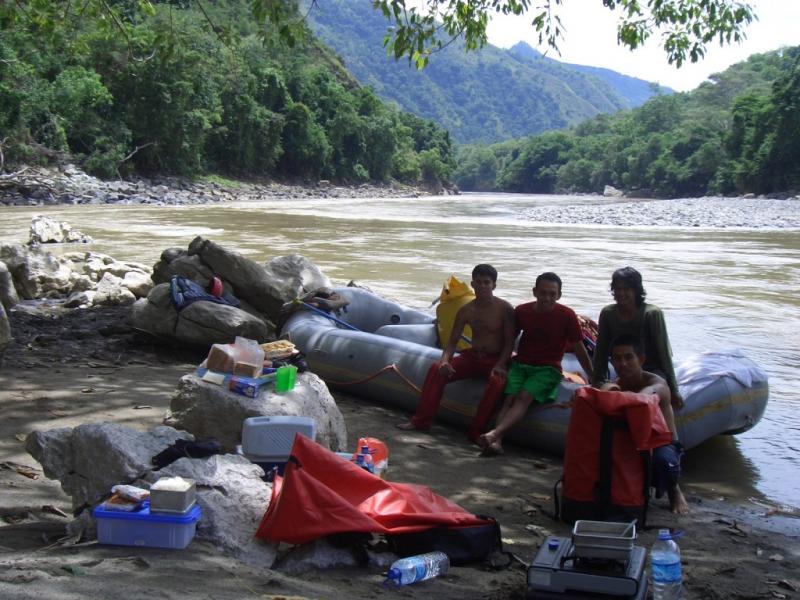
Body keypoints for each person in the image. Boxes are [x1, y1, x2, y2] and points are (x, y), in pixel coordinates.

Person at [397, 264, 515, 442]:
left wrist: (501, 364)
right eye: (479, 282)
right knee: (436, 369)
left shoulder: (504, 309)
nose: (483, 286)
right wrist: (445, 361)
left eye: (487, 283)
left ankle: (476, 432)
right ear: (472, 284)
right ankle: (421, 421)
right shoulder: (467, 310)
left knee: (497, 382)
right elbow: (452, 342)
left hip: (495, 359)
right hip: (473, 356)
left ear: (494, 285)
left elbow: (510, 342)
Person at [479, 272, 594, 455]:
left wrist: (592, 375)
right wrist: (500, 363)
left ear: (559, 295)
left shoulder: (566, 315)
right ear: (534, 291)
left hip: (548, 369)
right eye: (543, 292)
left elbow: (579, 348)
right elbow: (509, 340)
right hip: (521, 364)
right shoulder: (522, 311)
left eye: (552, 294)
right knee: (509, 398)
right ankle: (497, 442)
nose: (547, 298)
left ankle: (494, 434)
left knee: (524, 396)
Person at [601, 334, 689, 514]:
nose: (623, 363)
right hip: (633, 442)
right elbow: (601, 394)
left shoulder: (657, 384)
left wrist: (620, 394)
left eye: (628, 357)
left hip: (661, 443)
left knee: (663, 460)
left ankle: (674, 490)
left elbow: (649, 393)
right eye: (617, 359)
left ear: (641, 359)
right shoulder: (616, 385)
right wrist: (605, 389)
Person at [592, 267, 683, 408]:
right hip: (623, 368)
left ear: (636, 290)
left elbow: (663, 354)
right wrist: (597, 382)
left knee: (644, 398)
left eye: (626, 289)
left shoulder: (651, 314)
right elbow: (601, 353)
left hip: (651, 370)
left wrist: (674, 390)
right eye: (617, 289)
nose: (621, 293)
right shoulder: (608, 314)